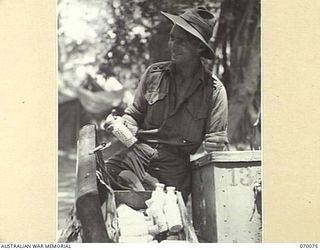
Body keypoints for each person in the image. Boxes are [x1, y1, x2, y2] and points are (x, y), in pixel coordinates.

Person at [103, 6, 228, 202]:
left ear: (199, 47)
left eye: (181, 42)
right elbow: (134, 116)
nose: (173, 45)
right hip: (138, 152)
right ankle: (141, 183)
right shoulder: (154, 75)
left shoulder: (213, 91)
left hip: (175, 166)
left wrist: (216, 144)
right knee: (100, 180)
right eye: (172, 38)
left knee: (167, 213)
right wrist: (123, 124)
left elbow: (217, 143)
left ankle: (146, 186)